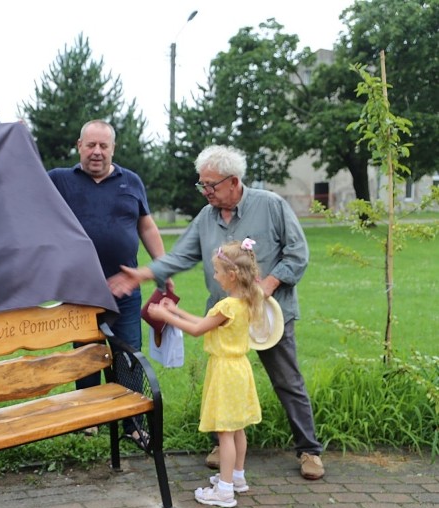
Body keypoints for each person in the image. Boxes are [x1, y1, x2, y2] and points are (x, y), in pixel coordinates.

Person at [108, 144, 325, 480]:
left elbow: (297, 254)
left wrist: (265, 287)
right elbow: (181, 255)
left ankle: (309, 450)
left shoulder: (270, 206)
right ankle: (223, 443)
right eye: (202, 185)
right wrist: (146, 273)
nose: (205, 191)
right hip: (224, 317)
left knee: (287, 380)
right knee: (223, 379)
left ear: (234, 182)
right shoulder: (206, 217)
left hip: (269, 316)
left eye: (211, 185)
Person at [47, 119, 168, 444]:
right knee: (85, 356)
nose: (97, 152)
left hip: (124, 289)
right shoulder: (59, 180)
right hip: (79, 291)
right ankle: (90, 418)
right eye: (91, 145)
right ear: (79, 146)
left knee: (127, 353)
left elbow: (147, 227)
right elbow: (24, 190)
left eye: (104, 146)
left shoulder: (131, 181)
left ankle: (132, 423)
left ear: (113, 148)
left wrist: (162, 269)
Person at [148, 239, 264, 507]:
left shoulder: (227, 306)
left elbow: (198, 329)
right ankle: (237, 478)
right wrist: (175, 310)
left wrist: (166, 316)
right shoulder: (245, 301)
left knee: (224, 431)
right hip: (240, 368)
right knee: (237, 428)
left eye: (217, 272)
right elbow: (204, 323)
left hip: (225, 371)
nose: (214, 275)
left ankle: (224, 492)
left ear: (231, 276)